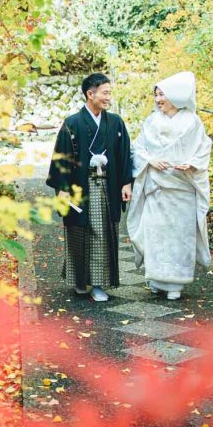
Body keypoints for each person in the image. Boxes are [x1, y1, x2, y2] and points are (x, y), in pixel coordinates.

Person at [46, 73, 134, 302]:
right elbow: (62, 158)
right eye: (104, 92)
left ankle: (97, 283)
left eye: (109, 93)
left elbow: (124, 154)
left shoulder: (115, 122)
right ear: (90, 94)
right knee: (78, 231)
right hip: (80, 186)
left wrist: (126, 182)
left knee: (103, 234)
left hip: (107, 186)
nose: (108, 97)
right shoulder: (72, 123)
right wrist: (63, 188)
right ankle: (79, 280)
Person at [126, 71, 212, 301]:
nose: (158, 99)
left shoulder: (192, 122)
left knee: (179, 236)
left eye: (162, 94)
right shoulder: (151, 121)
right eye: (156, 95)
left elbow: (203, 148)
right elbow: (138, 148)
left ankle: (176, 283)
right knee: (155, 234)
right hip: (157, 187)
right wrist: (150, 160)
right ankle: (155, 279)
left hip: (182, 189)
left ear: (176, 96)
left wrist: (191, 164)